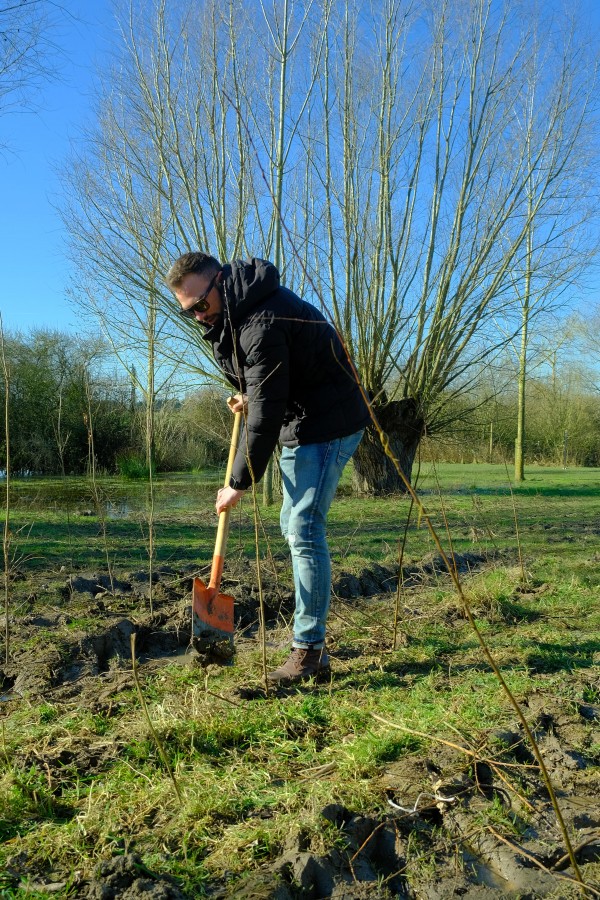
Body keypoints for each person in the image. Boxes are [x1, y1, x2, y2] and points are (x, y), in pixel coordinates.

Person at [166, 252, 370, 685]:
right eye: (189, 313)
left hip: (328, 422)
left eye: (201, 306)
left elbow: (267, 413)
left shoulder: (261, 320)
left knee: (303, 528)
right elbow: (269, 380)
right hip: (304, 417)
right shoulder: (236, 312)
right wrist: (251, 394)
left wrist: (238, 482)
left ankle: (310, 651)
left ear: (218, 281)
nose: (199, 318)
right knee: (294, 525)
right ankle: (309, 641)